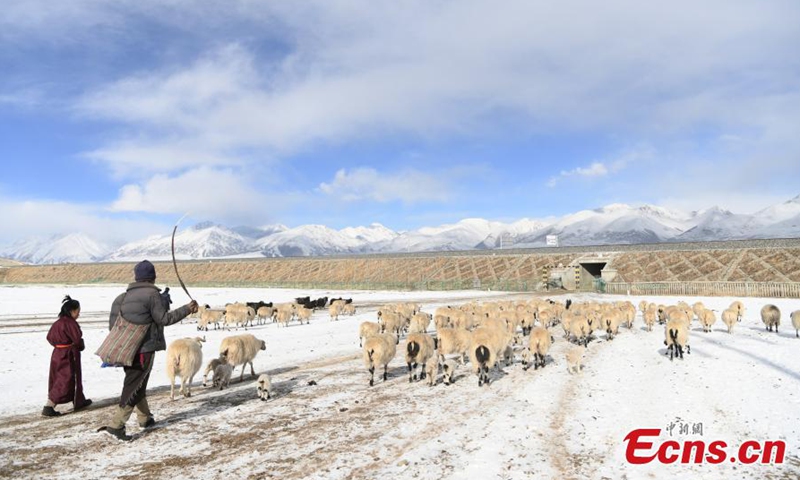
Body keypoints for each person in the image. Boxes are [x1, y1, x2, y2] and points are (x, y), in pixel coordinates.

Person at [102, 260, 198, 441]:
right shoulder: (153, 295)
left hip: (123, 349)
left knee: (138, 382)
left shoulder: (120, 298)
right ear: (153, 277)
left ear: (136, 277)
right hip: (144, 350)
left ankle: (145, 418)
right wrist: (187, 309)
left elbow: (112, 327)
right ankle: (116, 425)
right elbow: (164, 319)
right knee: (133, 384)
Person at [43, 295, 91, 417]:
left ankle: (79, 400)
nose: (78, 314)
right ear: (72, 311)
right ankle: (49, 406)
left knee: (63, 378)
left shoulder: (57, 323)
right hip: (67, 356)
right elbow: (77, 338)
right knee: (65, 380)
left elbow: (49, 338)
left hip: (57, 354)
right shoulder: (70, 323)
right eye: (78, 312)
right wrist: (78, 346)